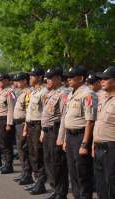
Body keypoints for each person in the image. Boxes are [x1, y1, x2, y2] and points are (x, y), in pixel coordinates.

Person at [58, 66, 98, 199]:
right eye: (68, 77)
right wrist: (64, 139)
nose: (68, 79)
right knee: (73, 172)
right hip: (70, 136)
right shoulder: (71, 93)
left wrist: (85, 144)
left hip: (80, 136)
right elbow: (66, 117)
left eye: (71, 77)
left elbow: (90, 121)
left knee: (83, 173)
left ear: (81, 78)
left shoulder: (88, 93)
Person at [41, 68, 70, 199]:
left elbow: (64, 115)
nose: (48, 80)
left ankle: (61, 192)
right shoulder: (51, 93)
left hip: (56, 131)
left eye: (51, 78)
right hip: (47, 131)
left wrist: (61, 137)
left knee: (58, 162)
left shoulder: (63, 93)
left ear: (58, 78)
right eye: (47, 78)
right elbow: (45, 114)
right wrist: (42, 130)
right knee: (49, 161)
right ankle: (55, 189)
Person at [24, 67, 48, 195]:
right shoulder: (33, 92)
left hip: (38, 125)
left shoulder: (44, 92)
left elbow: (45, 113)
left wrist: (43, 130)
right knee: (32, 153)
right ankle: (36, 180)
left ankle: (41, 182)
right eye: (30, 75)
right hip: (30, 125)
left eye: (33, 76)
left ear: (40, 77)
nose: (30, 78)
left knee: (39, 154)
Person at [93, 66, 115, 199]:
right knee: (101, 186)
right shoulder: (103, 99)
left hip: (111, 149)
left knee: (111, 185)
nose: (102, 81)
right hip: (99, 148)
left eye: (106, 78)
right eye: (101, 78)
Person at [12, 72, 34, 185]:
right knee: (21, 149)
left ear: (25, 81)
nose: (16, 82)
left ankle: (28, 174)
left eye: (19, 80)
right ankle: (24, 172)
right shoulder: (21, 92)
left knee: (24, 149)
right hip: (18, 124)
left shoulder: (28, 93)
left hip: (23, 124)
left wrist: (25, 126)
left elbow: (28, 111)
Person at [0, 74, 16, 174]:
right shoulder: (1, 92)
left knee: (7, 144)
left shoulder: (10, 92)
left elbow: (11, 109)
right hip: (0, 119)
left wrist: (9, 123)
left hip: (5, 120)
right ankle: (5, 164)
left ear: (7, 81)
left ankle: (9, 165)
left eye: (2, 80)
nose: (0, 82)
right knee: (2, 143)